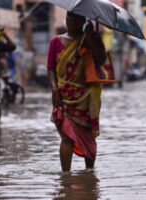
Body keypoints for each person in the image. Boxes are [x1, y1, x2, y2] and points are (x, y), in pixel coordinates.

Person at [47, 12, 106, 172]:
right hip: (65, 96)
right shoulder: (56, 42)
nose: (71, 21)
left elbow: (101, 60)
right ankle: (65, 176)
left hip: (87, 97)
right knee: (67, 137)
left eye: (76, 18)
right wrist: (54, 91)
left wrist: (91, 37)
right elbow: (51, 68)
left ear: (83, 21)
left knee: (88, 136)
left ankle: (89, 173)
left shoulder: (91, 39)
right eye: (69, 17)